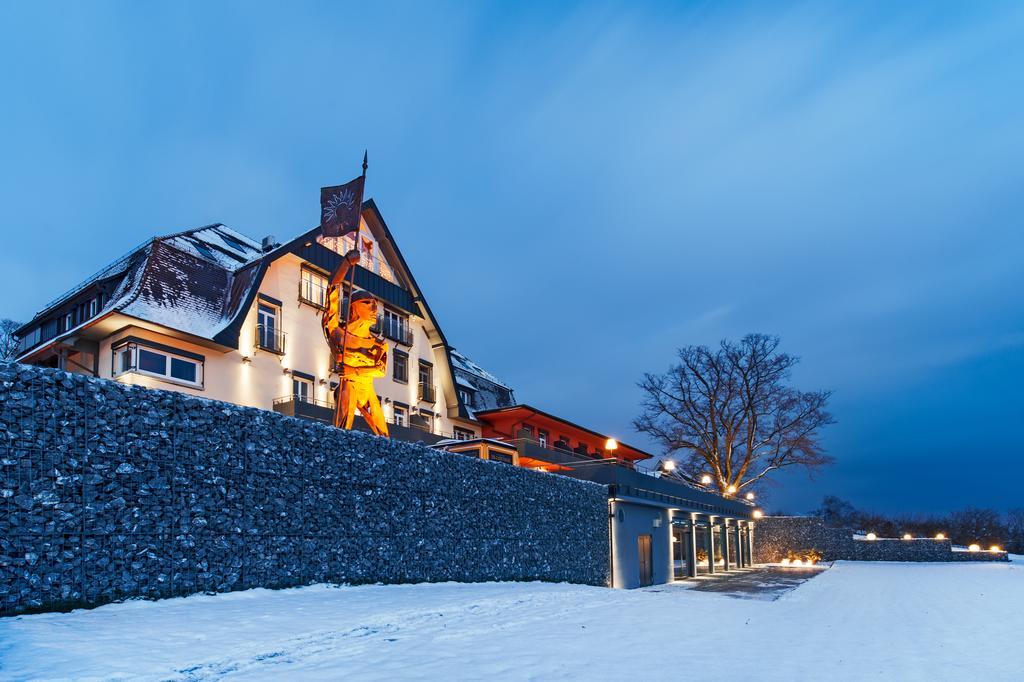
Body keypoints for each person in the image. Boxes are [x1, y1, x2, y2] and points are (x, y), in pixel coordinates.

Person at [321, 249, 390, 436]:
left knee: (384, 437)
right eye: (367, 303)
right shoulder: (337, 333)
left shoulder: (379, 344)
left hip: (367, 390)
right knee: (341, 432)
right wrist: (346, 263)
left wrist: (354, 370)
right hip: (348, 387)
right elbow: (333, 289)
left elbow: (381, 370)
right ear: (353, 306)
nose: (374, 308)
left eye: (375, 304)